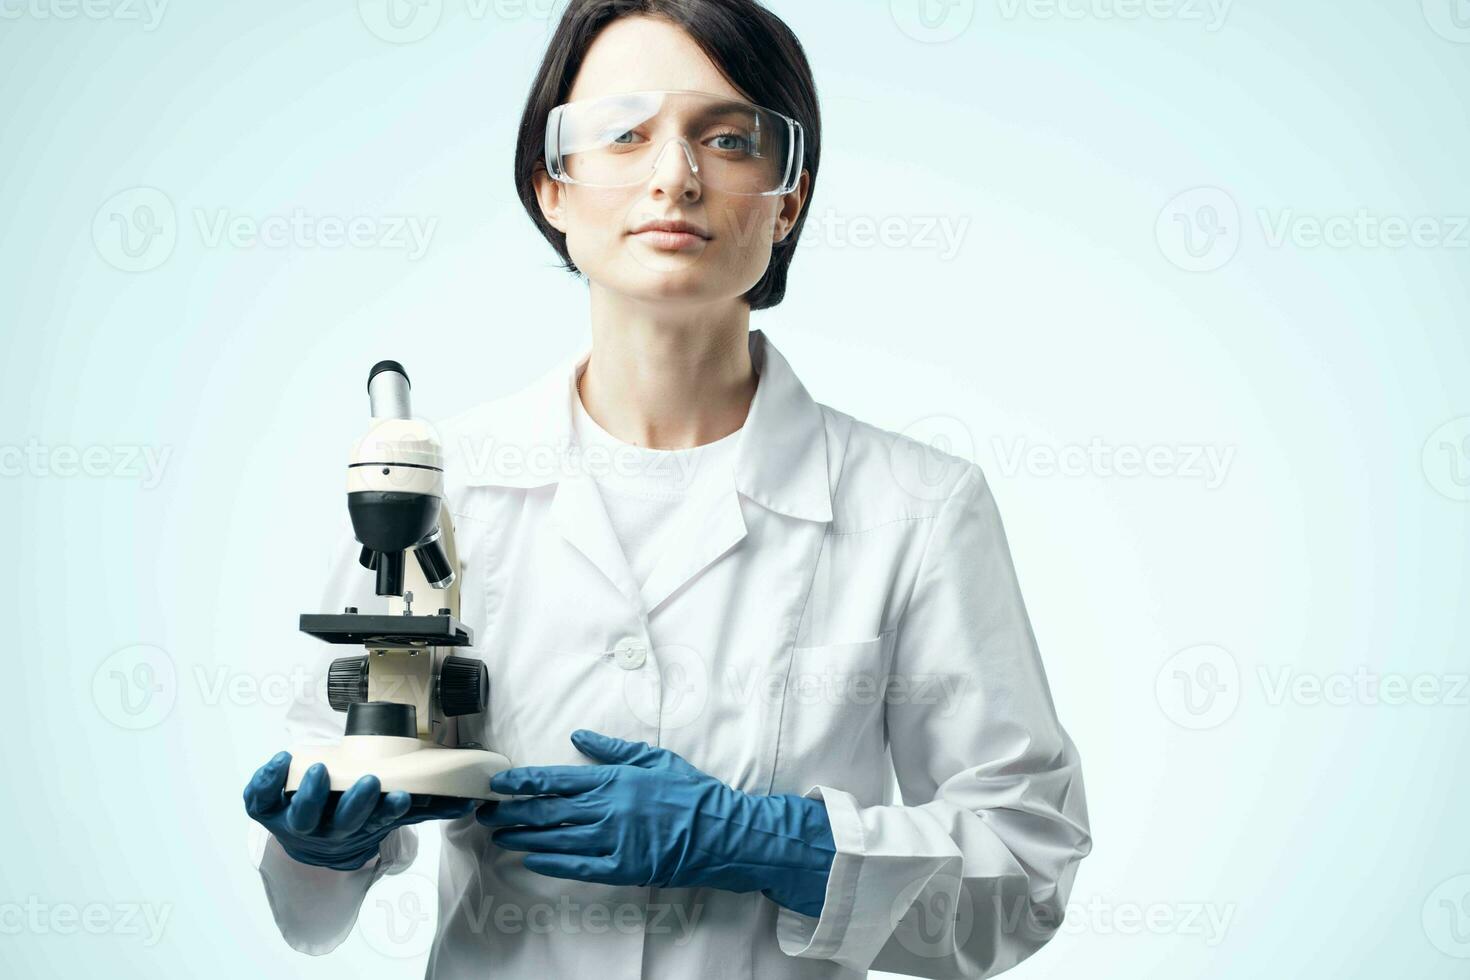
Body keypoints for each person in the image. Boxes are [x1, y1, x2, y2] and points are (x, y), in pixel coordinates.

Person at [243, 2, 1091, 977]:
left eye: (727, 138)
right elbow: (307, 918)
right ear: (550, 185)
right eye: (624, 132)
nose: (674, 175)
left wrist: (770, 842)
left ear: (787, 197)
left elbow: (1026, 876)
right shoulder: (435, 486)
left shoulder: (917, 506)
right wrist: (323, 845)